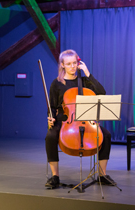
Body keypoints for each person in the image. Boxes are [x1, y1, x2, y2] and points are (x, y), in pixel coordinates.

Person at [44, 49, 116, 189]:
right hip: (64, 121)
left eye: (75, 63)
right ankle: (55, 176)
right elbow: (51, 106)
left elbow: (101, 92)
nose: (72, 66)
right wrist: (50, 118)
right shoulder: (56, 84)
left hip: (85, 120)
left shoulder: (84, 81)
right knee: (50, 136)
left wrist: (88, 73)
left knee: (106, 135)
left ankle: (102, 175)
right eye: (69, 64)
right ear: (62, 65)